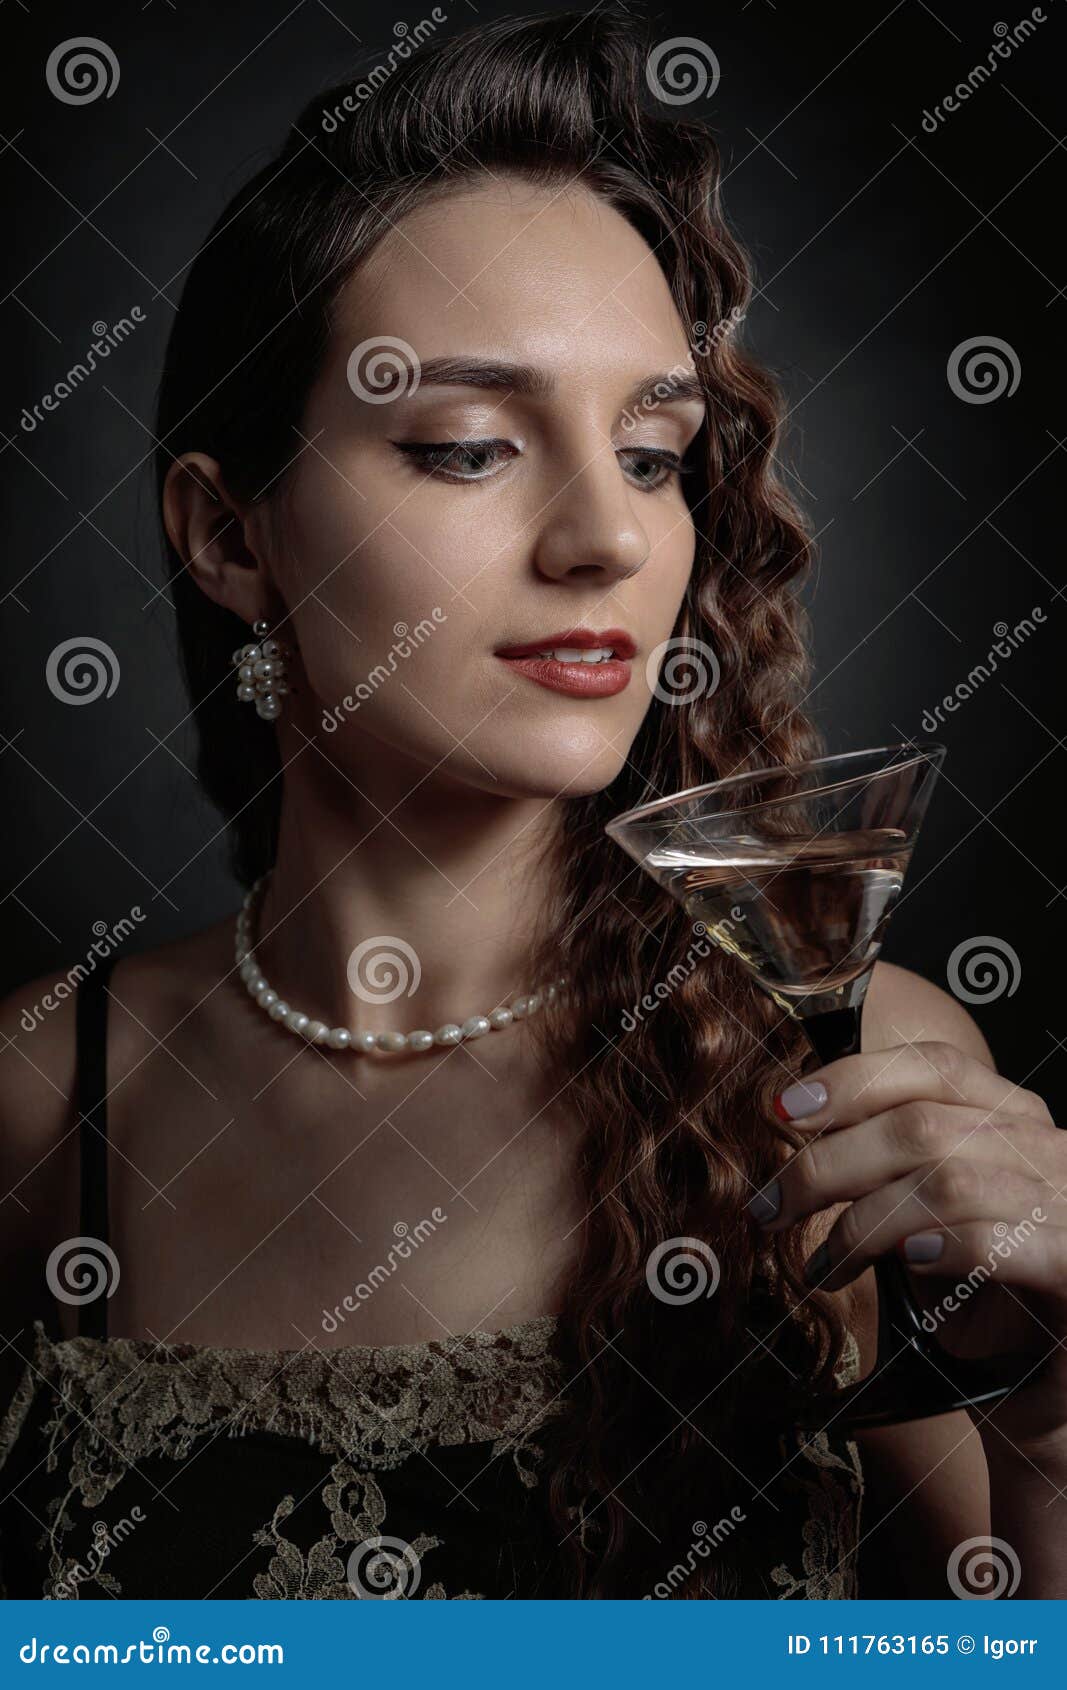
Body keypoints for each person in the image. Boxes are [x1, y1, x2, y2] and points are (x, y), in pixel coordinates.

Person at [1, 8, 1064, 1601]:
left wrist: (1055, 1427)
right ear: (229, 536)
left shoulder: (843, 1074)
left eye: (651, 454)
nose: (608, 540)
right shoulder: (44, 1103)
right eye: (467, 446)